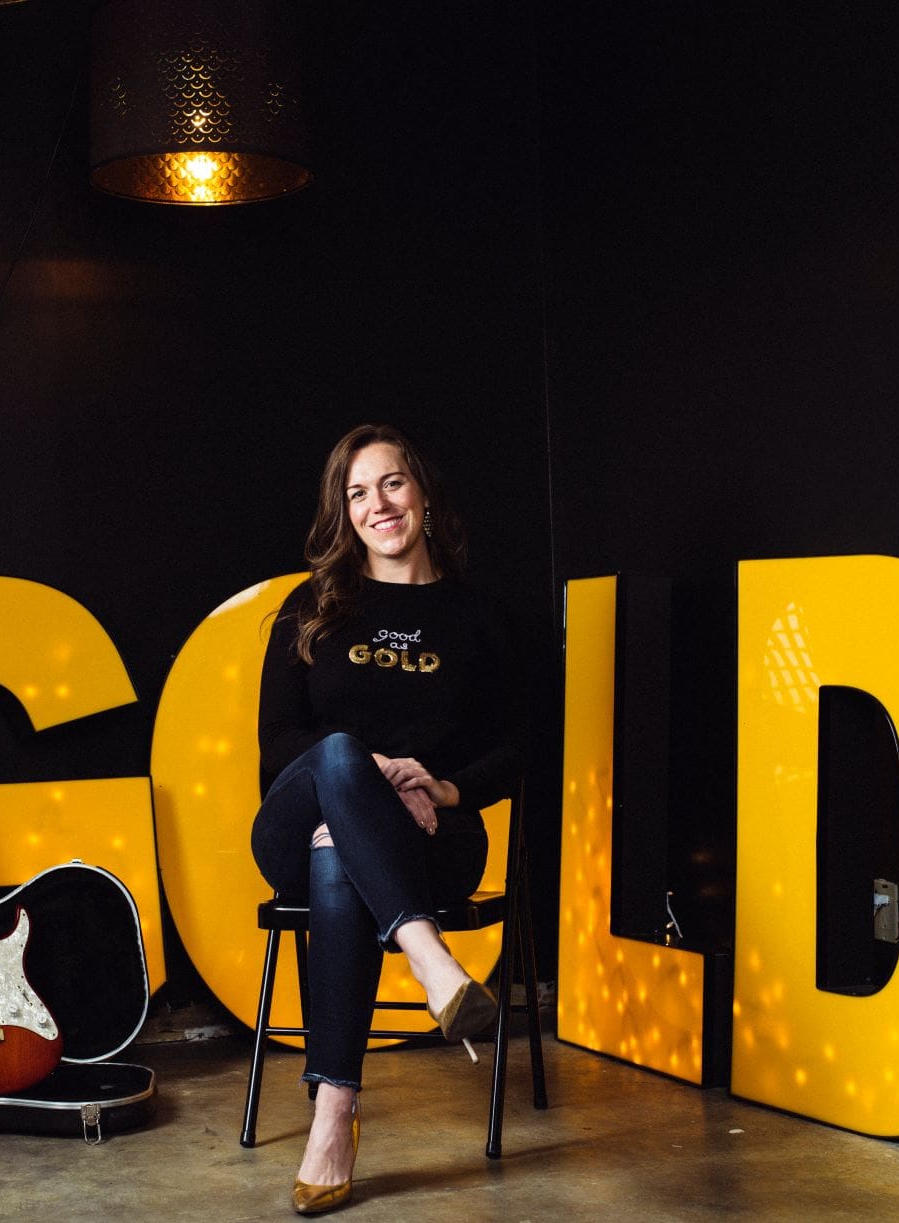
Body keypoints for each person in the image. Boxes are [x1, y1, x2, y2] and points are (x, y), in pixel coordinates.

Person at [250, 423, 526, 1215]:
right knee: (339, 756)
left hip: (434, 834)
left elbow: (517, 748)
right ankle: (432, 961)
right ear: (344, 513)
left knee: (340, 852)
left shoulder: (478, 615)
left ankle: (333, 1113)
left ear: (423, 492)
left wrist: (443, 787)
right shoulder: (311, 608)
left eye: (392, 482)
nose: (378, 504)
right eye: (357, 493)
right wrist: (366, 777)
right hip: (296, 824)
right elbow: (278, 744)